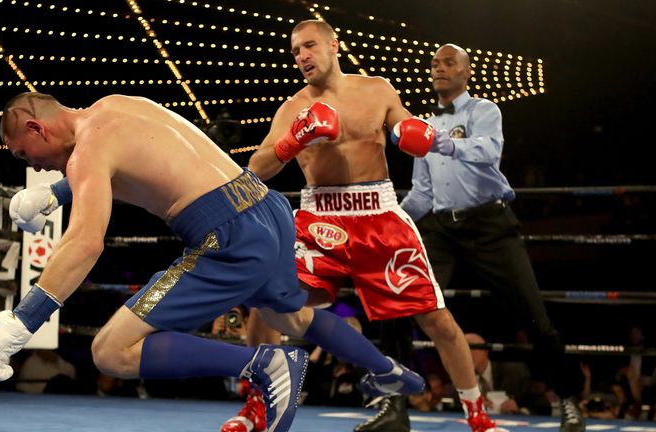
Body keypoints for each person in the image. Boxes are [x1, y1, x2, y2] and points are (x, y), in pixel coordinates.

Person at [0, 92, 426, 432]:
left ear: (36, 129)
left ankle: (266, 364)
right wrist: (53, 193)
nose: (36, 165)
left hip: (227, 233)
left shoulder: (87, 155)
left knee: (111, 351)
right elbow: (146, 157)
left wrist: (21, 323)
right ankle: (388, 371)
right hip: (267, 208)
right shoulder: (117, 106)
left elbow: (85, 242)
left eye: (26, 155)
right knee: (292, 315)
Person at [229, 20, 502, 432]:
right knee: (269, 299)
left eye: (309, 46)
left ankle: (478, 417)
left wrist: (415, 134)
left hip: (379, 216)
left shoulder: (377, 89)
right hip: (319, 220)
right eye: (295, 51)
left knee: (437, 321)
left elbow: (409, 130)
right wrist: (294, 140)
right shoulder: (291, 109)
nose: (302, 55)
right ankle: (255, 404)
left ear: (333, 45)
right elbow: (257, 169)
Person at [400, 43, 585, 432]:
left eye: (449, 62)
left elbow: (488, 151)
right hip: (442, 229)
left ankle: (569, 400)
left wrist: (441, 141)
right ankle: (391, 402)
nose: (439, 68)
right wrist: (389, 220)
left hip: (491, 225)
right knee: (402, 302)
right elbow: (422, 193)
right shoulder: (423, 123)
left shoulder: (485, 111)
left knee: (534, 315)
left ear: (466, 72)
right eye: (434, 63)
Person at [465, 333, 550, 415]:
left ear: (485, 351)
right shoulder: (458, 377)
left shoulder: (515, 373)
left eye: (471, 348)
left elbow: (543, 406)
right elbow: (454, 406)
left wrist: (519, 410)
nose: (466, 354)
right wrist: (472, 406)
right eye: (461, 351)